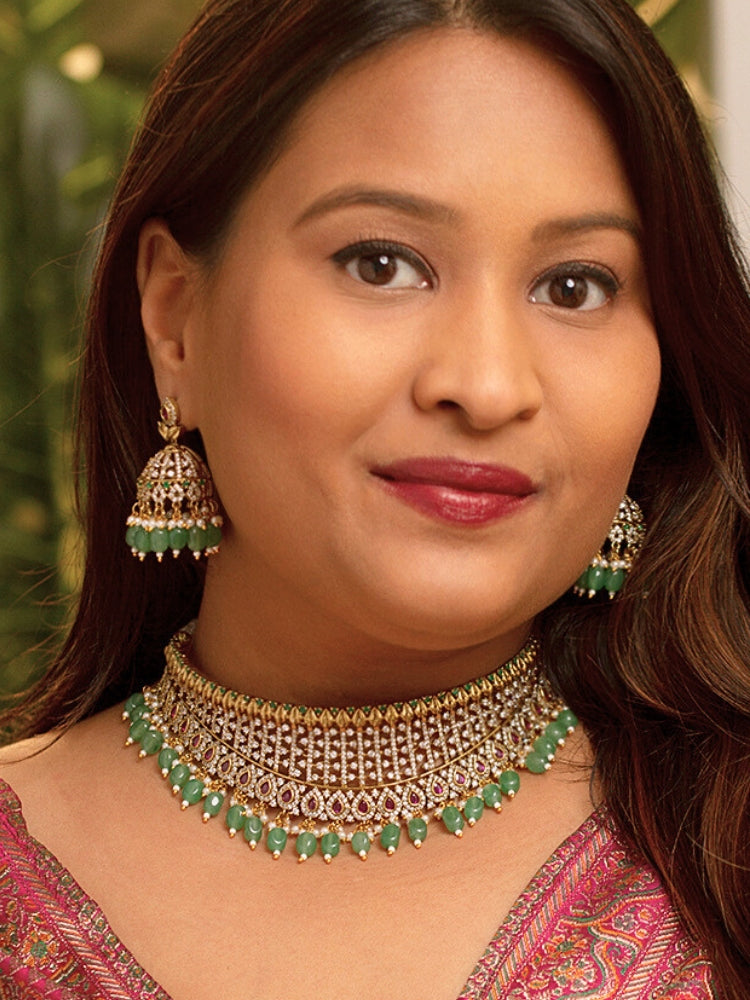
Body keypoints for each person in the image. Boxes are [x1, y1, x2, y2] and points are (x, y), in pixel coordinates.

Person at [0, 0, 748, 996]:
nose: (487, 385)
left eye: (575, 286)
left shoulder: (726, 860)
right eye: (383, 263)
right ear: (177, 321)